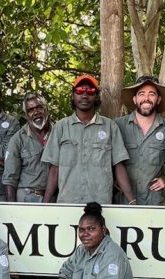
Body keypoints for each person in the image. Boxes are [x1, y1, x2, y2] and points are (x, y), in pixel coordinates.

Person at [115, 75, 165, 279]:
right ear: (135, 99)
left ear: (158, 99)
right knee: (120, 247)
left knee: (148, 248)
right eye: (141, 94)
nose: (146, 98)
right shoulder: (118, 125)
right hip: (120, 198)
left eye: (151, 93)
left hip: (151, 200)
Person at [42, 74, 137, 205]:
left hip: (100, 204)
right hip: (67, 203)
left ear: (97, 96)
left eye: (91, 91)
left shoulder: (110, 126)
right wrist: (45, 204)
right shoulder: (61, 127)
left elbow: (118, 166)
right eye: (80, 91)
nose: (85, 95)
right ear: (73, 95)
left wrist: (132, 200)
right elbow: (54, 169)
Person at [2, 92, 52, 279]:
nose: (35, 112)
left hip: (55, 199)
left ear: (46, 108)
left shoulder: (59, 131)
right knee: (27, 251)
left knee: (51, 249)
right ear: (25, 113)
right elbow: (9, 177)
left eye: (38, 107)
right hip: (26, 198)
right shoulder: (19, 138)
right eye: (30, 109)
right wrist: (14, 210)